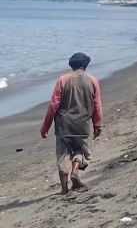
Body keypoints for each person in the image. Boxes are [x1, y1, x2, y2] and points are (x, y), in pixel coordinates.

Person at [40, 53, 102, 195]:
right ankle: (75, 172)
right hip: (83, 124)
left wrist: (46, 126)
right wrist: (98, 124)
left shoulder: (63, 79)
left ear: (71, 65)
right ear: (86, 65)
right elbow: (97, 105)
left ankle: (64, 188)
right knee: (80, 150)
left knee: (63, 154)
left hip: (64, 124)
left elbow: (53, 104)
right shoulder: (92, 80)